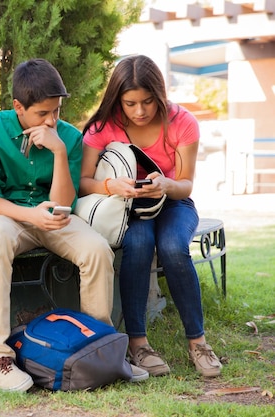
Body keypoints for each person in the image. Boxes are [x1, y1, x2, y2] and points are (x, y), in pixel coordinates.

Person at [0, 58, 147, 392]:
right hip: (7, 216)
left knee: (97, 249)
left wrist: (56, 152)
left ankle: (100, 350)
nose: (52, 120)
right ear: (18, 107)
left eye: (56, 111)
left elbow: (64, 204)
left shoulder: (67, 137)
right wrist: (29, 215)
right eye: (42, 113)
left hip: (56, 217)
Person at [80, 54, 222, 378]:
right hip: (127, 208)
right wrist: (110, 185)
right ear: (118, 99)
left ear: (159, 95)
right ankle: (138, 344)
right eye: (130, 103)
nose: (140, 111)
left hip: (173, 203)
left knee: (173, 247)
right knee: (140, 244)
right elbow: (83, 183)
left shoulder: (182, 122)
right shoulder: (102, 126)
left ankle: (197, 341)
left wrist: (165, 185)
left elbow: (185, 186)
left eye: (147, 102)